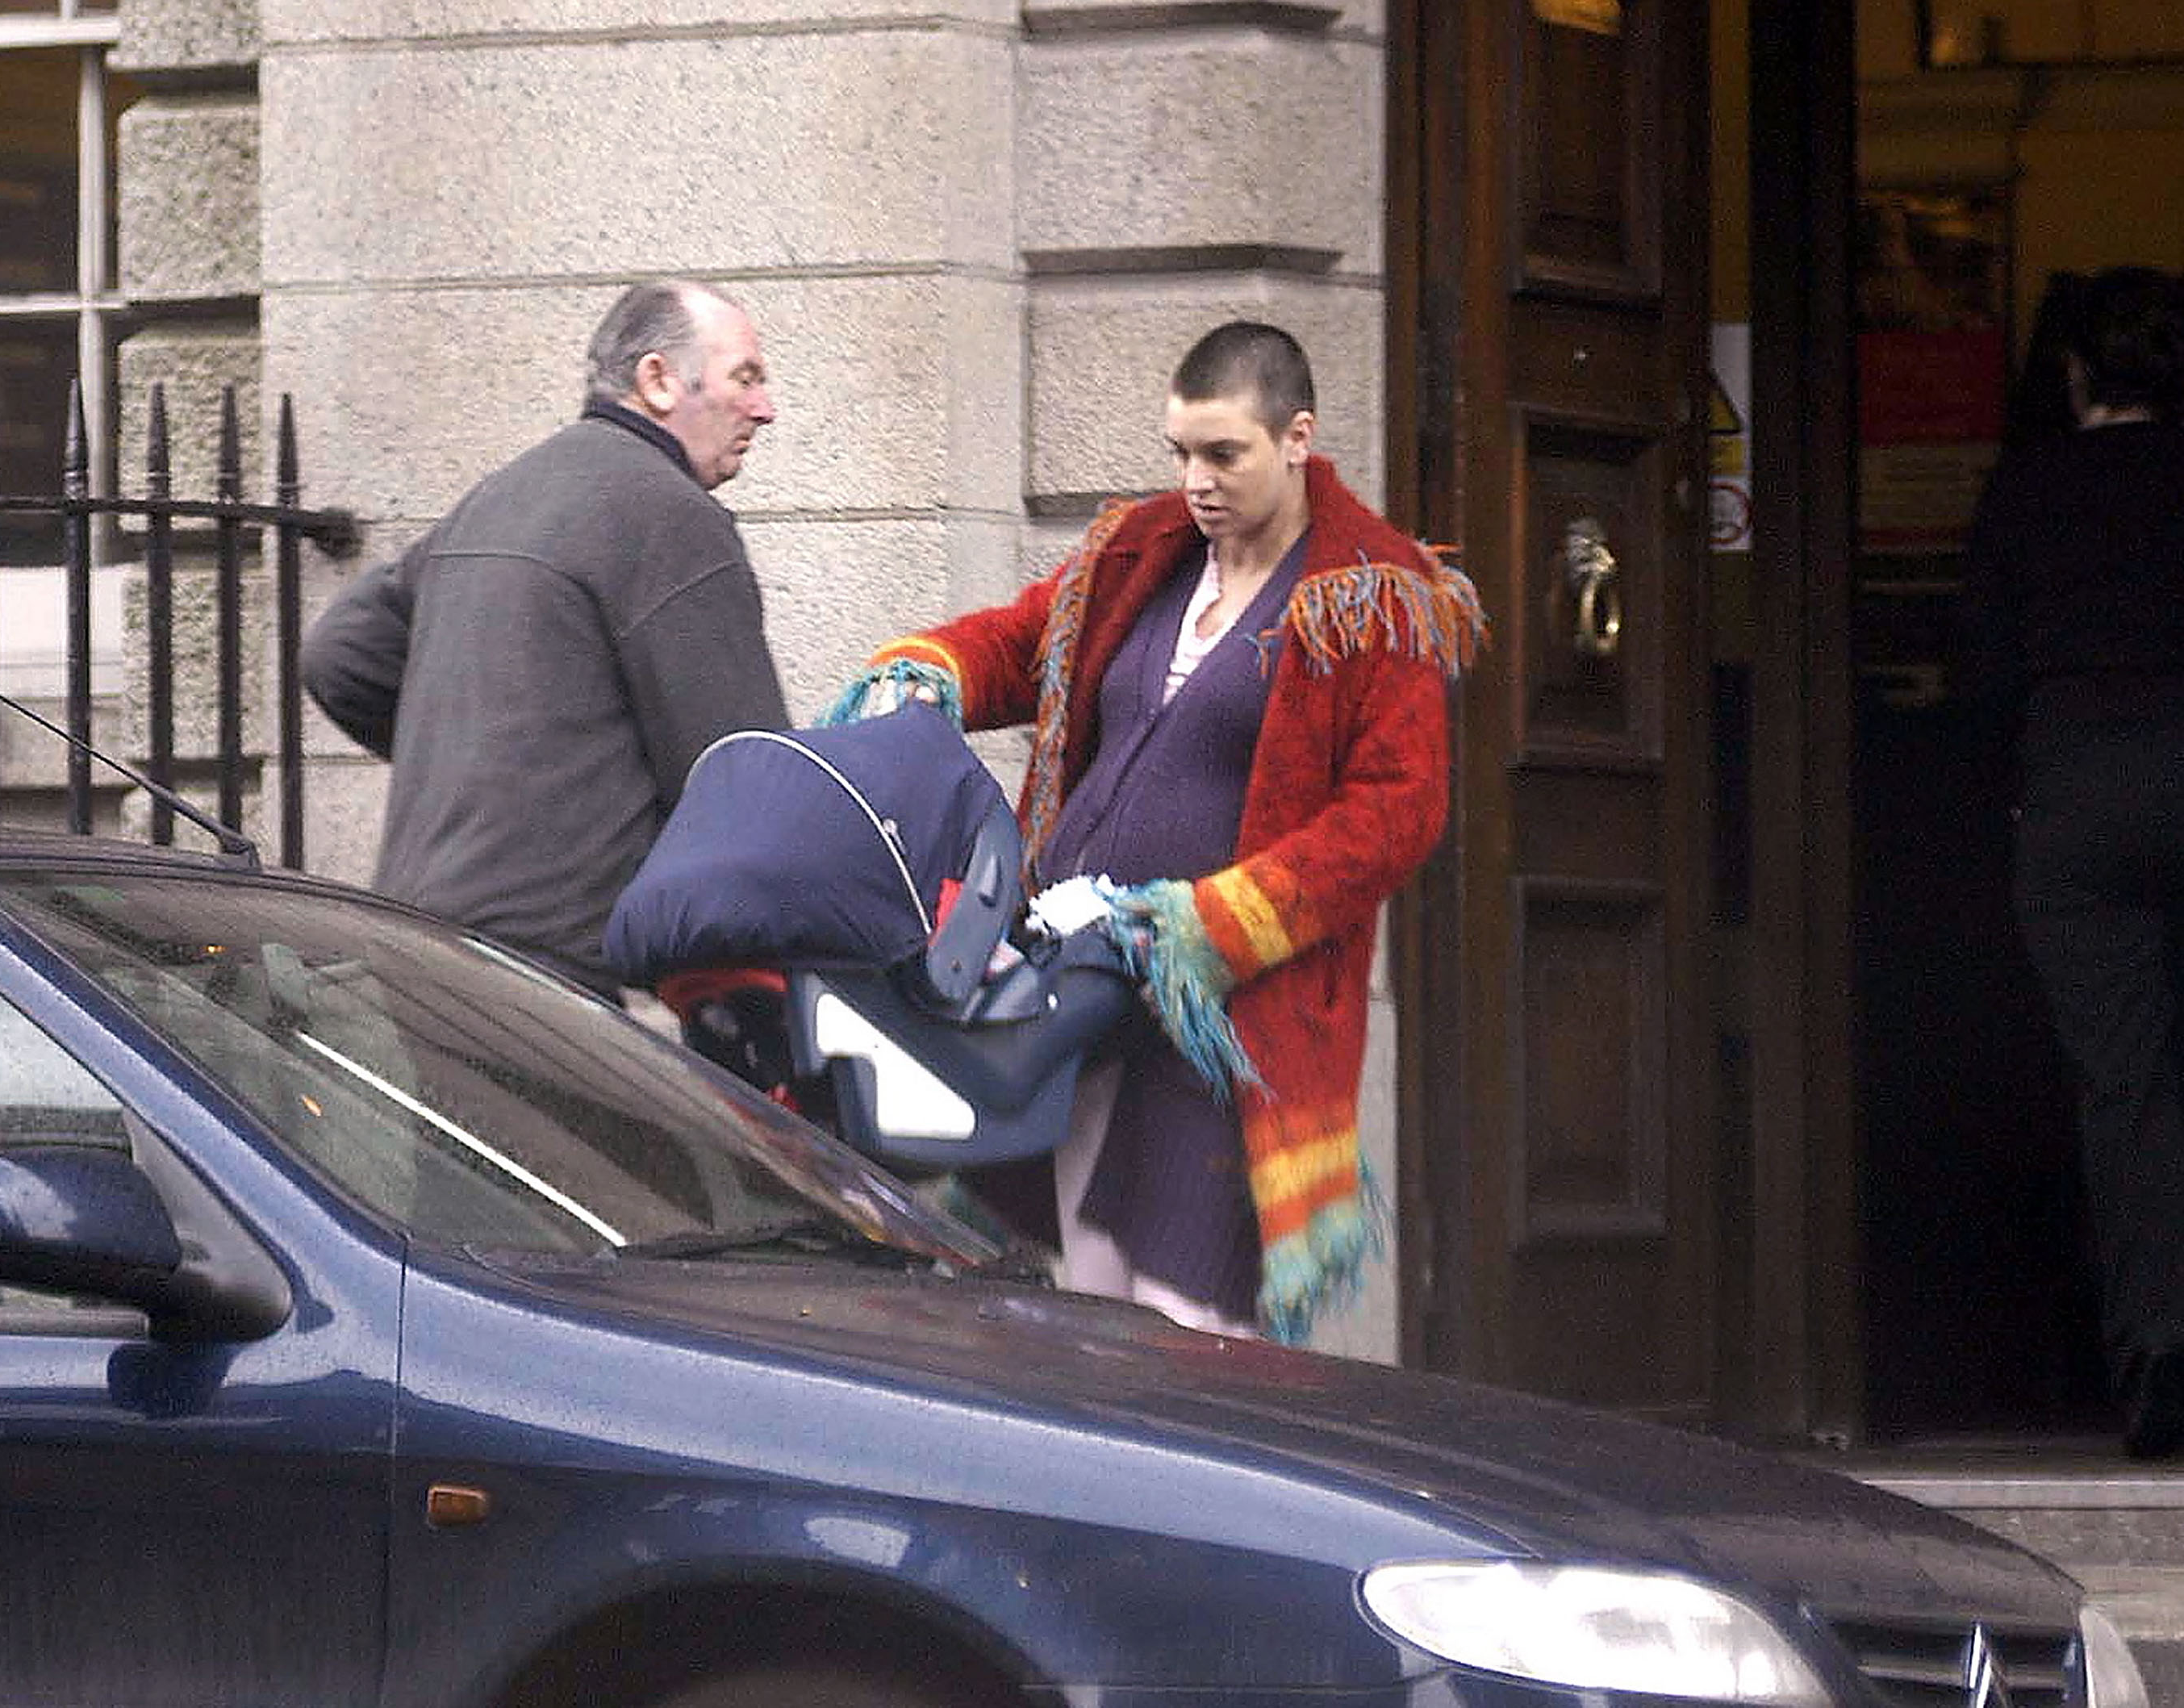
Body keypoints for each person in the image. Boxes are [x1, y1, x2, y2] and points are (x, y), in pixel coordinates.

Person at [824, 322, 1485, 1342]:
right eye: (1181, 452)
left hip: (1227, 1014)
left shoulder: (1372, 591)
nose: (1197, 480)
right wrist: (927, 668)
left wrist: (1211, 922)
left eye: (1225, 453)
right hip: (1079, 979)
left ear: (1297, 437)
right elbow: (1020, 642)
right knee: (1088, 1294)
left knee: (1191, 1320)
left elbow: (1397, 813)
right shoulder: (1143, 553)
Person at [302, 280, 790, 1000]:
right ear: (657, 380)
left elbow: (340, 652)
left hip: (410, 939)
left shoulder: (502, 494)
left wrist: (489, 763)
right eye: (744, 377)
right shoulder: (673, 518)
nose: (765, 408)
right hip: (542, 974)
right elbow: (744, 777)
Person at [1956, 265, 2184, 1456]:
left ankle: (2160, 1371)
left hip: (2080, 791)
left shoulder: (2029, 487)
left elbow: (1982, 674)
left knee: (2127, 1088)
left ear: (2080, 373)